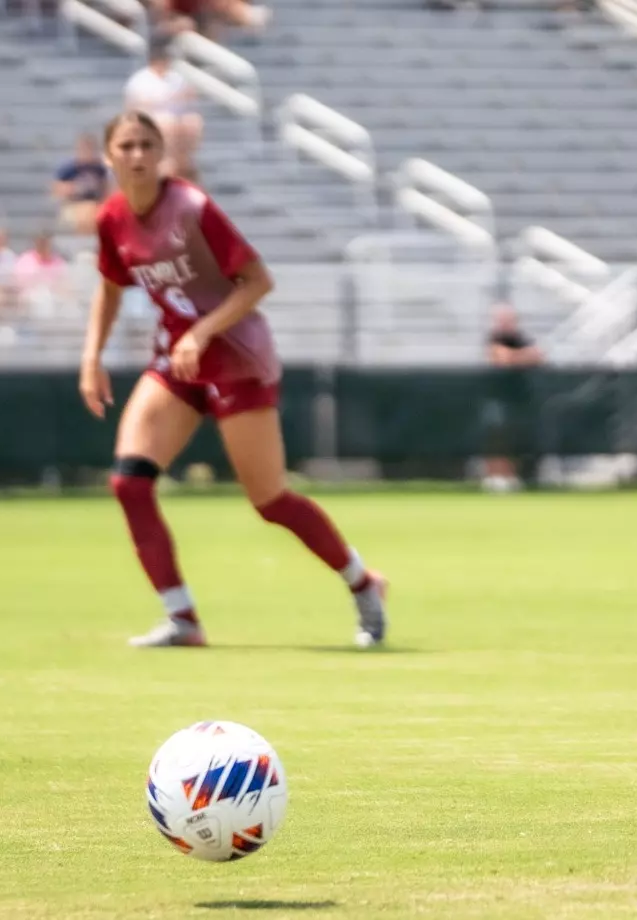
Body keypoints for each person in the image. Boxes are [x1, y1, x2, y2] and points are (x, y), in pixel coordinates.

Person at [80, 111, 388, 649]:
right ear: (109, 157)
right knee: (129, 482)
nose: (136, 155)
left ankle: (363, 583)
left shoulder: (191, 209)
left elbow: (257, 281)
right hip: (178, 360)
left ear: (161, 153)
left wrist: (201, 332)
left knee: (270, 500)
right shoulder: (111, 218)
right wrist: (92, 358)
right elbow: (109, 287)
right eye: (126, 146)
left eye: (146, 144)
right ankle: (182, 619)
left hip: (237, 357)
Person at [481, 301, 543, 493]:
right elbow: (501, 359)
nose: (505, 323)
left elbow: (538, 356)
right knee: (497, 438)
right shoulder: (494, 338)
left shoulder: (522, 339)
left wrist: (515, 357)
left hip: (519, 398)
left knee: (515, 438)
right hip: (498, 398)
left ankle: (511, 477)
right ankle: (495, 477)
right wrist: (520, 357)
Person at [124, 39, 203, 182]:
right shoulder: (140, 80)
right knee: (167, 122)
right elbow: (134, 107)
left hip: (176, 117)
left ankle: (184, 159)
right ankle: (167, 160)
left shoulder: (175, 78)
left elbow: (188, 97)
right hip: (150, 119)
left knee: (193, 120)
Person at [52, 134, 112, 235]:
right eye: (84, 149)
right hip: (73, 205)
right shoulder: (69, 168)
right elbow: (57, 189)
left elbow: (106, 190)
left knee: (94, 212)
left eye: (90, 149)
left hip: (94, 205)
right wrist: (76, 188)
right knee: (84, 213)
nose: (87, 152)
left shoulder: (99, 169)